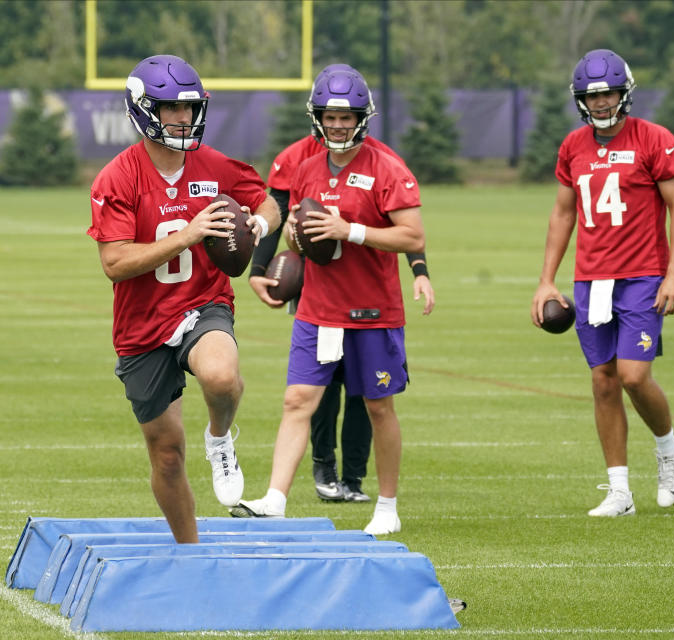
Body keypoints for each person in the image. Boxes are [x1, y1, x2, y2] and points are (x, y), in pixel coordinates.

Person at [88, 54, 281, 542]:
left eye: (189, 107)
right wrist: (187, 235)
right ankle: (190, 553)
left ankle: (219, 437)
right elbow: (114, 263)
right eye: (170, 107)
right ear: (143, 109)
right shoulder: (118, 177)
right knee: (168, 454)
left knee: (220, 374)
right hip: (141, 323)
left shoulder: (214, 164)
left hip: (202, 303)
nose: (182, 117)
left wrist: (259, 223)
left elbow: (267, 201)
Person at [232, 67, 427, 535]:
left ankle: (386, 505)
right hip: (319, 308)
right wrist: (291, 245)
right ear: (317, 117)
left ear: (363, 117)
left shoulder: (388, 167)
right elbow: (302, 239)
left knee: (379, 406)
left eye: (347, 116)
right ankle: (275, 499)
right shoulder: (305, 168)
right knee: (297, 400)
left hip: (372, 310)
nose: (338, 124)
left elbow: (412, 234)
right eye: (330, 115)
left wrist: (350, 231)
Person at [530, 49, 674, 517]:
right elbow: (563, 212)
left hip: (642, 274)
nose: (601, 104)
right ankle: (619, 490)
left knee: (633, 376)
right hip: (591, 278)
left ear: (625, 92)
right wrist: (546, 280)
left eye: (608, 94)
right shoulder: (573, 145)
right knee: (603, 382)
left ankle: (668, 449)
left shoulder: (654, 139)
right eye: (592, 96)